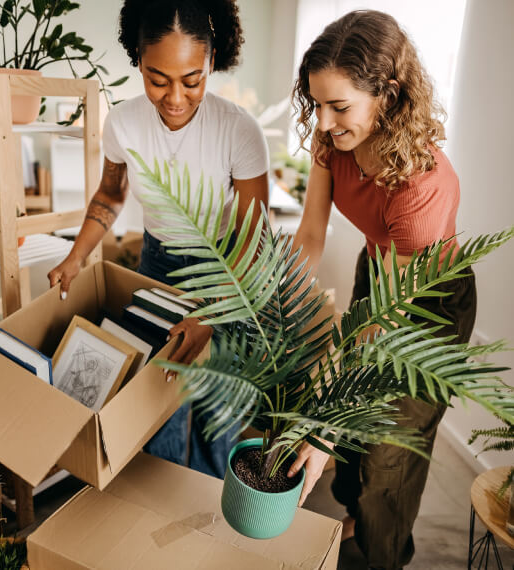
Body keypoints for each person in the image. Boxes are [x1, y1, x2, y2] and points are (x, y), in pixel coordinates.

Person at [286, 10, 476, 570]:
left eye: (338, 106)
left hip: (430, 303)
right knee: (353, 436)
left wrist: (316, 433)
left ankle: (382, 551)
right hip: (381, 270)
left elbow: (380, 327)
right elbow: (311, 235)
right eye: (316, 104)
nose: (322, 122)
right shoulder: (333, 142)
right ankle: (355, 517)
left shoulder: (422, 186)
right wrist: (277, 300)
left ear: (388, 95)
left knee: (389, 446)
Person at [48, 0, 269, 479]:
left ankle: (210, 513)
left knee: (217, 411)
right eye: (157, 79)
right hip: (158, 266)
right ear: (138, 60)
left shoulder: (239, 131)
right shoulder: (124, 123)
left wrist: (211, 312)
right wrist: (75, 256)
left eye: (192, 79)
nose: (174, 97)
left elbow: (254, 239)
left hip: (228, 275)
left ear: (212, 60)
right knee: (156, 402)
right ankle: (159, 512)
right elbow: (110, 193)